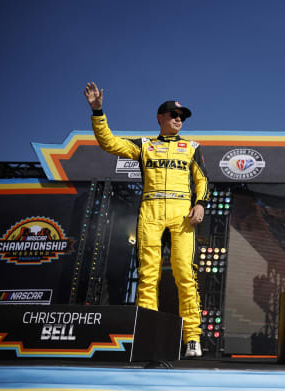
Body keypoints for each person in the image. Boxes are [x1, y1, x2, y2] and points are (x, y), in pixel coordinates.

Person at [84, 82, 209, 357]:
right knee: (147, 275)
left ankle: (192, 338)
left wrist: (200, 204)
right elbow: (109, 142)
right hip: (150, 211)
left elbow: (202, 180)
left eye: (182, 117)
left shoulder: (192, 147)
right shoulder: (144, 146)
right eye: (173, 115)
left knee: (184, 274)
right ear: (160, 118)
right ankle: (147, 334)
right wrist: (98, 112)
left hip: (181, 214)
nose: (179, 119)